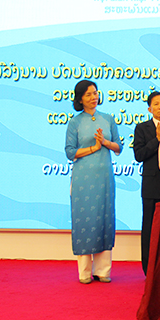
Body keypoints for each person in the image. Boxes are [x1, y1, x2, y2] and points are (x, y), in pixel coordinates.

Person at [64, 80, 122, 284]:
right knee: (85, 219)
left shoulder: (108, 119)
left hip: (105, 176)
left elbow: (118, 147)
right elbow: (70, 152)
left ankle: (103, 271)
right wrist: (93, 149)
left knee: (104, 218)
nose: (93, 97)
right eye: (88, 94)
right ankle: (84, 272)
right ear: (80, 98)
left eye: (95, 93)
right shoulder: (75, 122)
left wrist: (105, 143)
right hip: (83, 177)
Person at [133, 91, 160, 276]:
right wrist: (156, 141)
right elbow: (138, 155)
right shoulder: (142, 128)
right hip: (151, 185)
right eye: (156, 104)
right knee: (149, 227)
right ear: (149, 109)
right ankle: (148, 270)